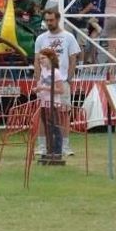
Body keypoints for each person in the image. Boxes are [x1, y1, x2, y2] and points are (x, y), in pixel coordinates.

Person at [33, 8, 80, 156]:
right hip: (44, 83)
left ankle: (64, 147)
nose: (49, 23)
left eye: (51, 20)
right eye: (47, 20)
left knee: (63, 114)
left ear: (58, 19)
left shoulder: (69, 37)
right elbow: (36, 61)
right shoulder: (41, 38)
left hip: (62, 81)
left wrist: (69, 79)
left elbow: (73, 59)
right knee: (43, 114)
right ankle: (42, 146)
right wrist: (38, 81)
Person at [33, 47, 69, 156]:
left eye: (43, 58)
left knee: (55, 128)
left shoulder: (56, 72)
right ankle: (49, 150)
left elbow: (61, 90)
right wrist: (38, 88)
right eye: (40, 59)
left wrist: (44, 88)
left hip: (53, 104)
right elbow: (41, 83)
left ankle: (57, 151)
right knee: (47, 128)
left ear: (50, 58)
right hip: (44, 103)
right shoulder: (43, 71)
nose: (41, 61)